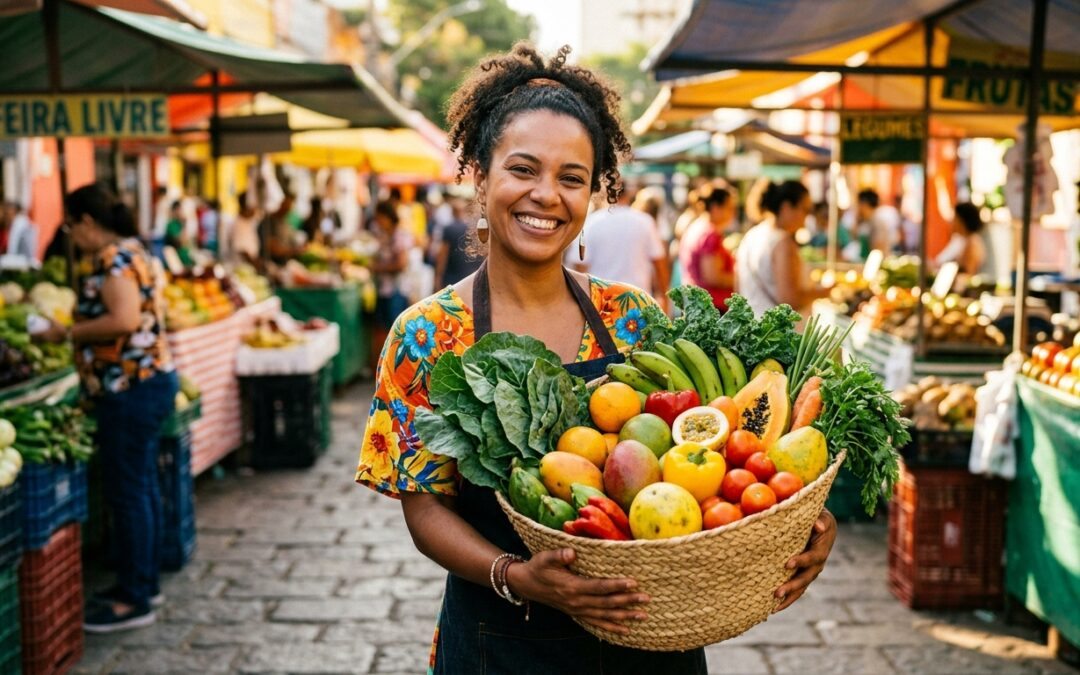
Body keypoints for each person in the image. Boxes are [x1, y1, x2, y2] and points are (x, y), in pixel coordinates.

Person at [355, 44, 836, 675]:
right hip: (501, 641)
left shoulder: (631, 316)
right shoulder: (425, 335)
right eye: (523, 169)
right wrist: (516, 575)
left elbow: (716, 464)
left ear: (593, 192)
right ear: (479, 174)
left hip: (650, 641)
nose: (546, 195)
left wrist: (797, 521)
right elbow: (423, 508)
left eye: (572, 178)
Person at [37, 183, 178, 633]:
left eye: (71, 226)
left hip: (130, 386)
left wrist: (65, 333)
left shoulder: (115, 258)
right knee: (140, 487)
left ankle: (134, 598)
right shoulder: (136, 250)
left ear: (87, 222)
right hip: (147, 382)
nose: (71, 237)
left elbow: (124, 320)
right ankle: (143, 584)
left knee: (130, 491)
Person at [736, 180, 826, 315]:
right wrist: (825, 291)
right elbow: (789, 300)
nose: (806, 217)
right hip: (775, 326)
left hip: (752, 320)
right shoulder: (782, 242)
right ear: (786, 207)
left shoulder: (751, 235)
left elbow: (737, 289)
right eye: (805, 210)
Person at [575, 184, 668, 301]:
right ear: (627, 195)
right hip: (638, 299)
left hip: (602, 300)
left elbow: (580, 265)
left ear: (606, 195)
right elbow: (659, 263)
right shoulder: (644, 221)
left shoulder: (592, 222)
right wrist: (664, 297)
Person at [681, 188, 737, 310]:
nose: (733, 214)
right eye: (729, 208)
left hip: (697, 303)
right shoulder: (709, 234)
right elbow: (713, 277)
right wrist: (740, 278)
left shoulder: (696, 227)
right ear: (715, 208)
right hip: (711, 307)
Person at [370, 200, 413, 333]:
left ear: (387, 217)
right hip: (384, 289)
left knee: (395, 330)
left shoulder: (399, 235)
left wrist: (377, 268)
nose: (378, 222)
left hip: (396, 290)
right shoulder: (384, 235)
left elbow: (401, 264)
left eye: (380, 218)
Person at [433, 198, 482, 288]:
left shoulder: (449, 228)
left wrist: (438, 277)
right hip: (472, 276)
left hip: (452, 278)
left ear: (452, 212)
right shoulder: (475, 228)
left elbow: (442, 255)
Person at [933, 202, 987, 277]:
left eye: (955, 218)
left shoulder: (972, 242)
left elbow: (968, 274)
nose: (952, 222)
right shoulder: (960, 240)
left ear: (962, 221)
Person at [855, 189, 899, 258]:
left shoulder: (877, 219)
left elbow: (879, 246)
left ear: (864, 204)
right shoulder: (871, 219)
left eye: (858, 204)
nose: (858, 208)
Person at [163, 200, 194, 267]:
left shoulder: (179, 224)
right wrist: (184, 224)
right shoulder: (171, 225)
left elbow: (186, 241)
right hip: (178, 260)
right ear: (175, 210)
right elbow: (179, 241)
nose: (181, 212)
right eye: (180, 209)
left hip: (185, 258)